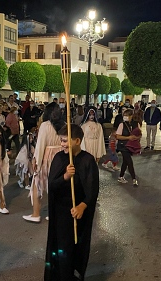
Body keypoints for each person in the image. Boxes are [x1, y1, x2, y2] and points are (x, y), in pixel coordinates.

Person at [44, 124, 99, 281]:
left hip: (78, 214)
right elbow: (52, 185)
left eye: (64, 141)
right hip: (61, 213)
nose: (62, 145)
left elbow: (93, 189)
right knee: (62, 248)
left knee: (76, 248)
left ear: (77, 141)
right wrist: (65, 177)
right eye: (61, 141)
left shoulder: (87, 160)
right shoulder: (59, 158)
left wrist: (82, 205)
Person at [23, 103, 65, 223]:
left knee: (37, 184)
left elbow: (41, 144)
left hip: (47, 156)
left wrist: (36, 159)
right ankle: (54, 214)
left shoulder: (45, 126)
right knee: (56, 186)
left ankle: (36, 214)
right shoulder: (64, 125)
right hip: (60, 157)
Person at [116, 109, 139, 186]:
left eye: (127, 116)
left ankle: (121, 176)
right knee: (129, 161)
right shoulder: (121, 125)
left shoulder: (136, 124)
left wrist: (135, 137)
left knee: (125, 162)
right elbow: (118, 136)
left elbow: (139, 134)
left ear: (131, 116)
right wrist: (128, 138)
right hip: (123, 146)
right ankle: (134, 178)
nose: (125, 117)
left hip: (131, 146)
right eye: (124, 116)